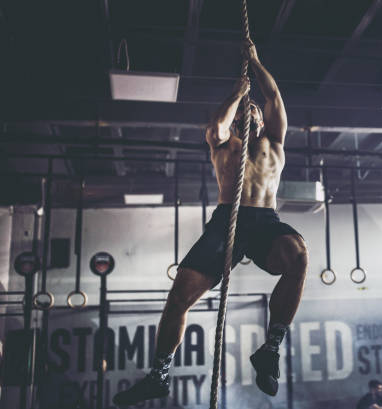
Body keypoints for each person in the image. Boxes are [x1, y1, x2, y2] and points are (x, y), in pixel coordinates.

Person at [113, 39, 308, 406]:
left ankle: (270, 348)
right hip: (226, 222)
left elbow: (276, 98)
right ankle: (159, 374)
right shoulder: (223, 145)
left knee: (298, 255)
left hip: (264, 221)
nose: (249, 113)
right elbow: (217, 125)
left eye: (255, 111)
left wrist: (255, 61)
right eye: (241, 114)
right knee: (178, 299)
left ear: (262, 120)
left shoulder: (275, 143)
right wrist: (238, 93)